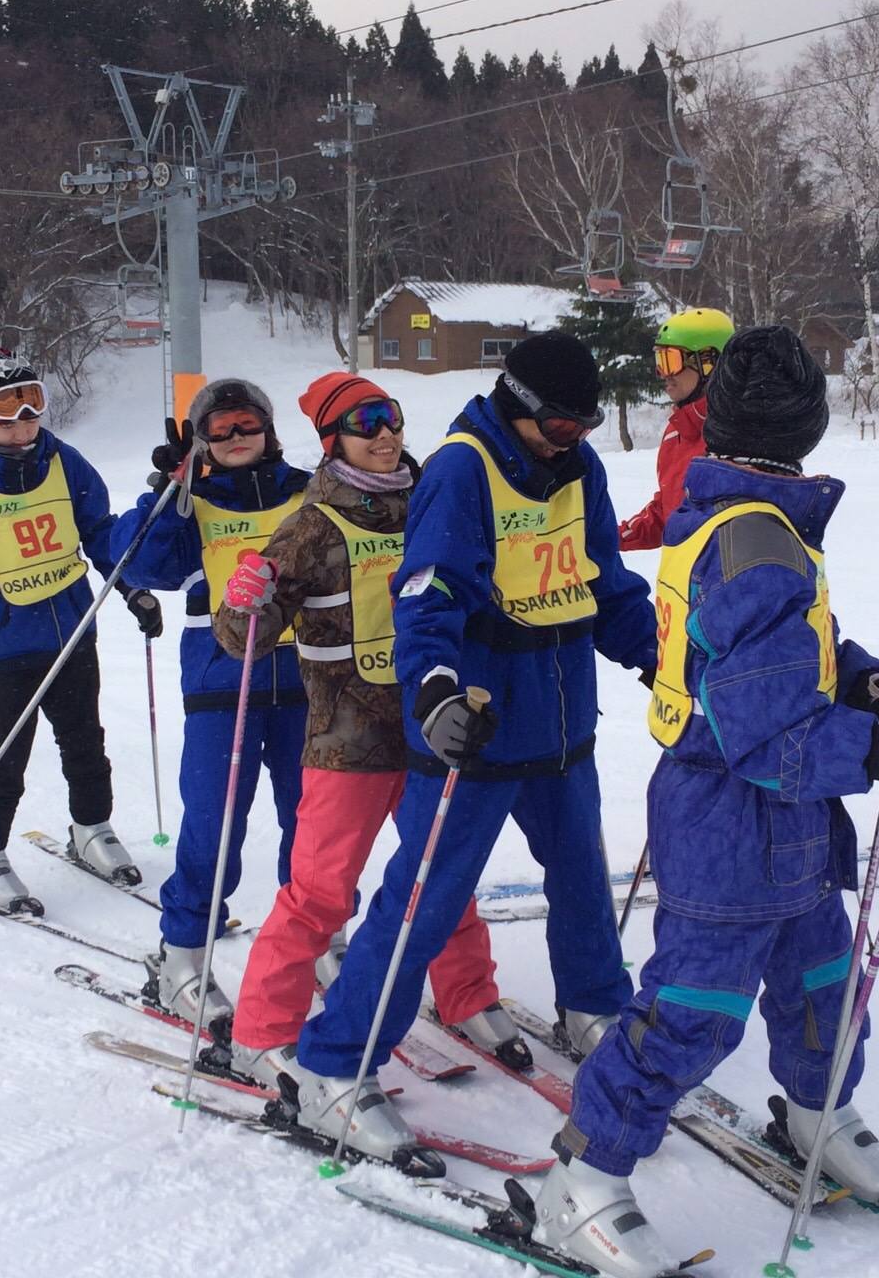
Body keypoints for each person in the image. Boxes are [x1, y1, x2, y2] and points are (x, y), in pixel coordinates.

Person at [532, 326, 879, 1277]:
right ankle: (583, 1179)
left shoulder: (754, 516)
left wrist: (866, 687)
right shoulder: (757, 540)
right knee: (693, 1010)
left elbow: (790, 660)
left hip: (785, 816)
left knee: (824, 988)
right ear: (811, 424)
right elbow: (764, 731)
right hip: (730, 812)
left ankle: (817, 1112)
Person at [218, 333, 658, 1166]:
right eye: (561, 425)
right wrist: (436, 690)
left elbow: (603, 582)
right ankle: (334, 1064)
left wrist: (664, 661)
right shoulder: (461, 469)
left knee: (580, 877)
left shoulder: (578, 466)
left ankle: (594, 1004)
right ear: (519, 406)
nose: (576, 438)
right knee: (420, 897)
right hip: (476, 724)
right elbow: (428, 593)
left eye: (586, 424)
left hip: (562, 720)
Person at [213, 371, 528, 1108]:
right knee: (321, 893)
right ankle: (261, 1029)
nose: (386, 435)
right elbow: (242, 642)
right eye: (364, 424)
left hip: (426, 725)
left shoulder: (432, 500)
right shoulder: (309, 528)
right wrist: (243, 599)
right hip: (347, 742)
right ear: (333, 441)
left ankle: (466, 993)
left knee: (438, 874)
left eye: (389, 417)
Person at [110, 379, 309, 1025]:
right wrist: (169, 495)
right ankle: (183, 956)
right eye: (218, 430)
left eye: (245, 424)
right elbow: (137, 566)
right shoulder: (187, 505)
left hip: (311, 684)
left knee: (313, 827)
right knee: (214, 829)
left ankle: (317, 938)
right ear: (200, 440)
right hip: (223, 687)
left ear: (268, 429)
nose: (234, 438)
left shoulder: (309, 492)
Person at [0, 349, 162, 918]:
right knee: (9, 752)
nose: (24, 421)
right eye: (8, 409)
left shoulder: (63, 461)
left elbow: (101, 533)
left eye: (33, 404)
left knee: (85, 737)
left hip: (73, 626)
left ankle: (91, 827)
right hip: (8, 637)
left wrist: (132, 589)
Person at [618, 307, 733, 550]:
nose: (663, 375)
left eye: (671, 361)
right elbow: (668, 510)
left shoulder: (737, 434)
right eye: (660, 362)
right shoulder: (676, 432)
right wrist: (610, 537)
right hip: (681, 577)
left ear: (709, 362)